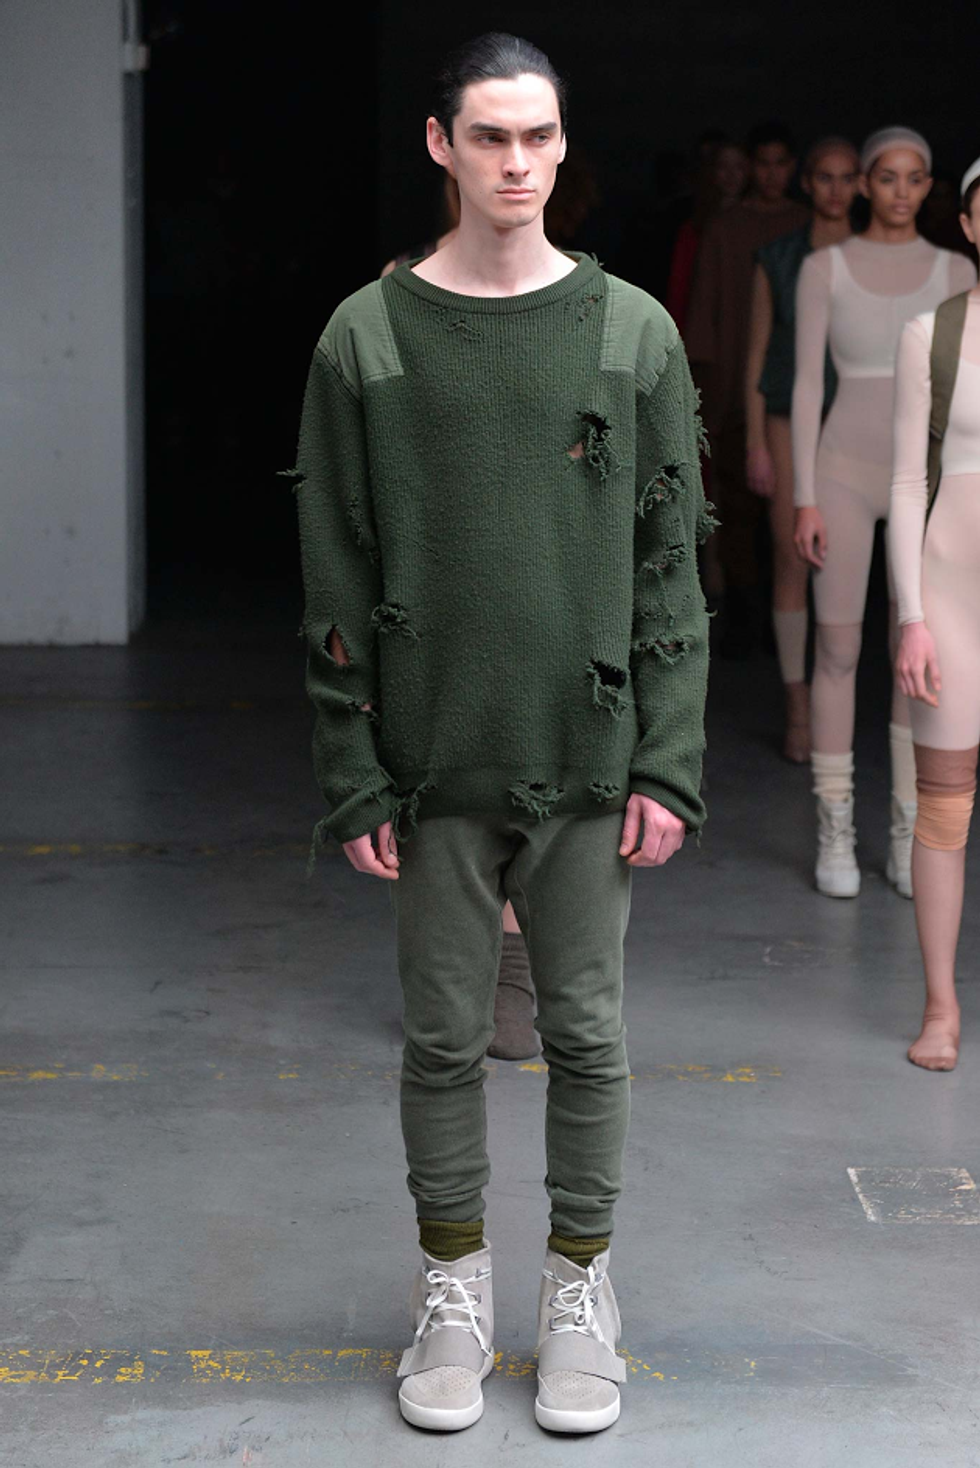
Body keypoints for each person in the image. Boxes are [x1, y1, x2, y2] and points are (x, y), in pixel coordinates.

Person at [290, 31, 711, 1435]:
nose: (515, 163)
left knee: (585, 1034)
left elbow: (668, 562)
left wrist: (668, 760)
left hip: (586, 755)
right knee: (441, 1038)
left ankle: (581, 1288)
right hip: (431, 758)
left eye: (537, 137)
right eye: (488, 136)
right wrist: (353, 769)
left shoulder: (630, 332)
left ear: (562, 144)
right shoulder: (366, 335)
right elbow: (335, 567)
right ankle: (452, 1292)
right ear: (441, 144)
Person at [793, 127, 977, 898]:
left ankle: (909, 827)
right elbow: (806, 383)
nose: (901, 190)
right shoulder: (823, 267)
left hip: (925, 488)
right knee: (836, 649)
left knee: (918, 656)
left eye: (916, 177)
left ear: (932, 189)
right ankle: (834, 825)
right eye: (887, 176)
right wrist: (803, 494)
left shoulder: (956, 269)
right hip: (840, 472)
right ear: (867, 183)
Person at [889, 156, 980, 1071]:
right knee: (944, 810)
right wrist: (911, 615)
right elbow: (906, 482)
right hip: (954, 601)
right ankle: (941, 1008)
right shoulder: (933, 332)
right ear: (970, 224)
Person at [744, 139, 860, 761]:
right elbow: (759, 354)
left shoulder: (879, 256)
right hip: (789, 420)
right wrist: (755, 443)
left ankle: (836, 701)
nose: (836, 189)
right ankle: (797, 705)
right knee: (791, 556)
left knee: (846, 563)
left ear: (860, 184)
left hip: (859, 422)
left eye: (847, 177)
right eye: (824, 177)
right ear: (807, 183)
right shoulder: (779, 258)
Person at [686, 122, 810, 657]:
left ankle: (789, 617)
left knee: (795, 507)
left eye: (782, 163)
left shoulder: (808, 223)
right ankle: (744, 617)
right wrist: (707, 390)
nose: (772, 174)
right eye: (764, 163)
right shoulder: (726, 226)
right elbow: (705, 310)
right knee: (736, 507)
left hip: (799, 390)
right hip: (737, 388)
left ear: (794, 168)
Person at [666, 138, 748, 334]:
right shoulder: (694, 228)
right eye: (723, 167)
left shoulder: (759, 225)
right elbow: (679, 289)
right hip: (703, 325)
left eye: (738, 167)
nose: (731, 175)